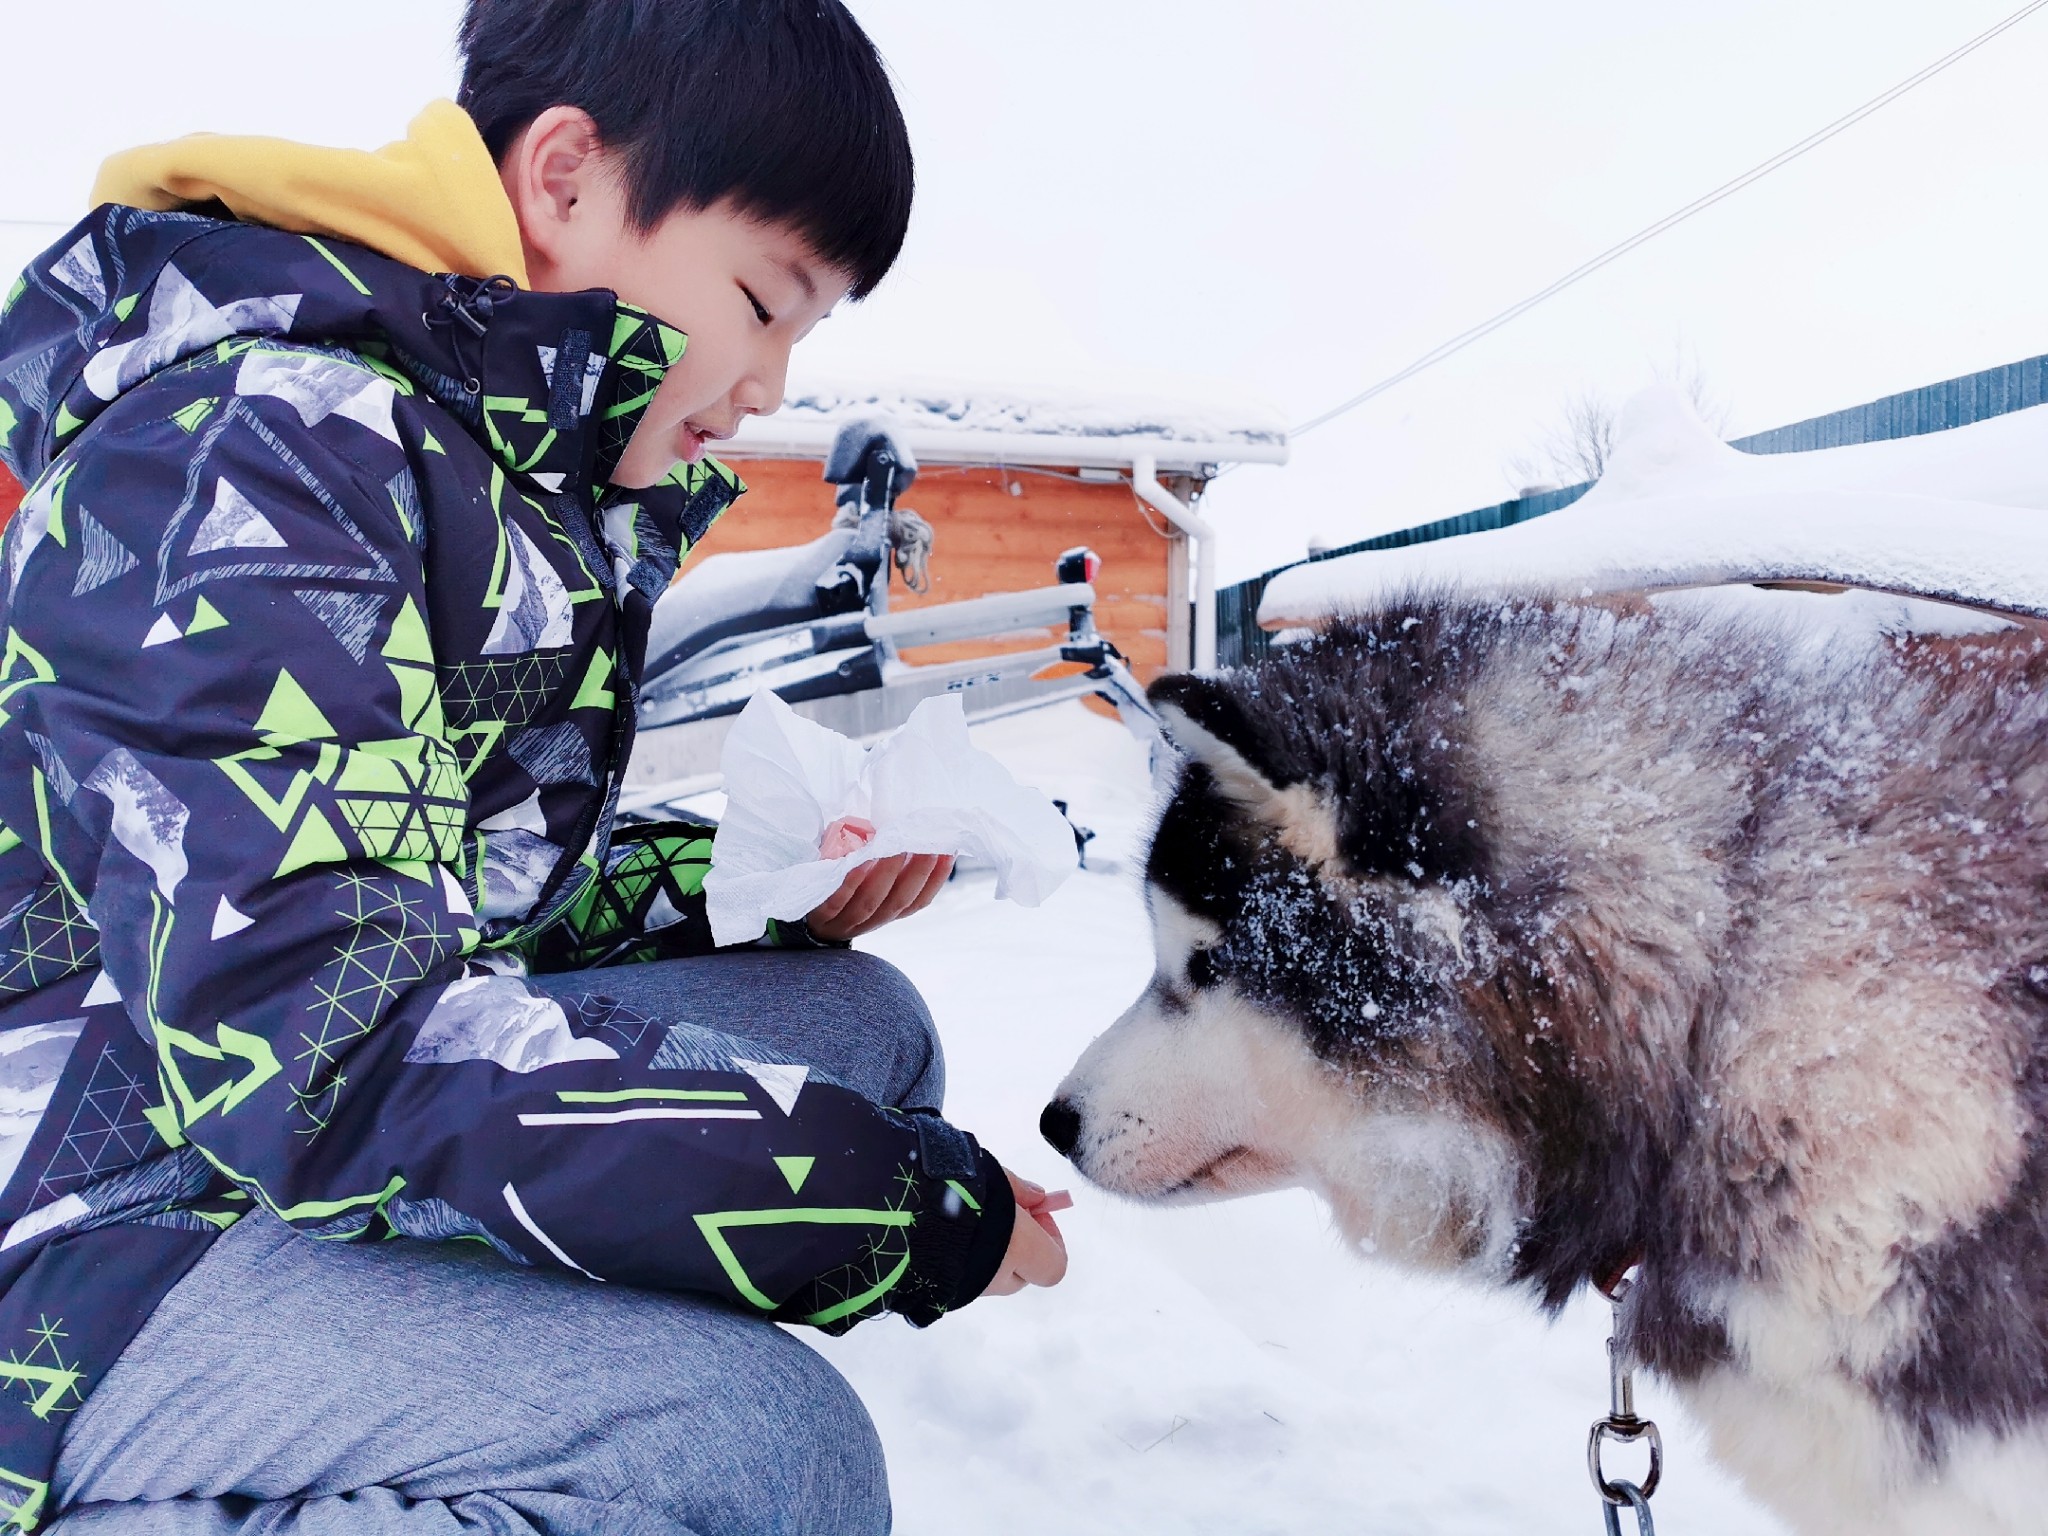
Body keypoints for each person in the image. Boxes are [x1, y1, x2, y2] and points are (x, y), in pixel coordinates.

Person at [0, 2, 1068, 1531]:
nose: (769, 386)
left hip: (242, 1132)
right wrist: (879, 1210)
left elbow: (417, 896)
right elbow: (329, 1048)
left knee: (856, 1025)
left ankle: (525, 1402)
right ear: (563, 180)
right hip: (84, 1232)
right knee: (763, 1454)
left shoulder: (475, 456)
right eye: (767, 302)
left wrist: (733, 887)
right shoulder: (251, 451)